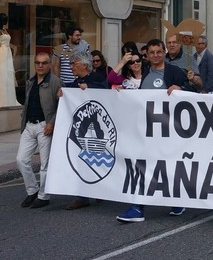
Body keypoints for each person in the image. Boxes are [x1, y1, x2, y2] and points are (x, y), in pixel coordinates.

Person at [116, 39, 199, 222]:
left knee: (167, 165)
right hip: (146, 130)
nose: (155, 55)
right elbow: (113, 80)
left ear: (164, 52)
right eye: (151, 52)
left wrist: (182, 88)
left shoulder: (175, 72)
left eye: (158, 52)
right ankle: (137, 207)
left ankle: (176, 201)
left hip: (169, 130)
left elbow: (195, 93)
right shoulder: (143, 71)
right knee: (143, 166)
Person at [62, 51, 109, 210]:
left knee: (97, 159)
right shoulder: (75, 82)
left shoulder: (96, 78)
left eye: (73, 64)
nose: (71, 67)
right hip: (80, 129)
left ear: (83, 64)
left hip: (96, 129)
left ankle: (101, 189)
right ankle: (82, 196)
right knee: (80, 159)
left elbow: (105, 89)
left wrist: (89, 87)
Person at [17, 52, 61, 209]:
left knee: (45, 164)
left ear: (49, 64)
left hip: (45, 126)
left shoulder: (56, 82)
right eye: (37, 63)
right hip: (29, 125)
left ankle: (44, 196)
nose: (40, 66)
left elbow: (61, 106)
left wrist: (51, 122)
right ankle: (32, 191)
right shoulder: (30, 81)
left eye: (44, 63)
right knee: (21, 160)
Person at [0, 13, 18, 107]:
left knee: (8, 75)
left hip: (8, 53)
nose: (6, 21)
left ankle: (9, 98)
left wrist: (14, 49)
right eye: (4, 19)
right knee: (2, 74)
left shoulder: (5, 30)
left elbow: (8, 42)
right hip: (2, 53)